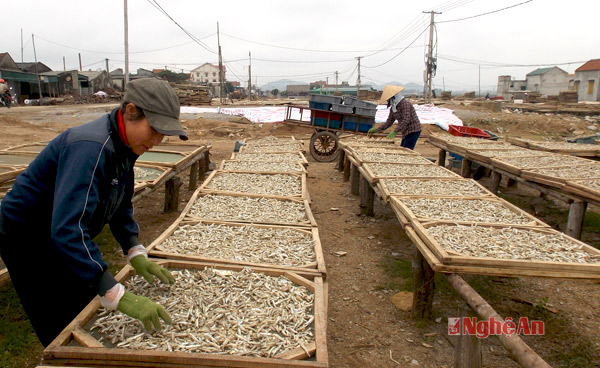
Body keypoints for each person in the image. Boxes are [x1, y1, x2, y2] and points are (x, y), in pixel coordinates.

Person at [0, 77, 188, 347]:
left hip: (57, 229)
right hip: (28, 235)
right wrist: (113, 292)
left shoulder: (125, 145)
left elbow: (120, 199)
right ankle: (64, 355)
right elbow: (68, 229)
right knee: (59, 316)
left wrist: (133, 248)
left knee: (81, 288)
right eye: (155, 129)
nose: (158, 140)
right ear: (131, 111)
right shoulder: (90, 147)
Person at [367, 85, 422, 150]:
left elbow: (406, 119)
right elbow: (389, 122)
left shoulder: (405, 104)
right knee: (403, 148)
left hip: (413, 130)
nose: (387, 101)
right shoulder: (393, 107)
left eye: (388, 99)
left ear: (393, 97)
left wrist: (395, 131)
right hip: (405, 131)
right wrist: (378, 129)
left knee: (406, 150)